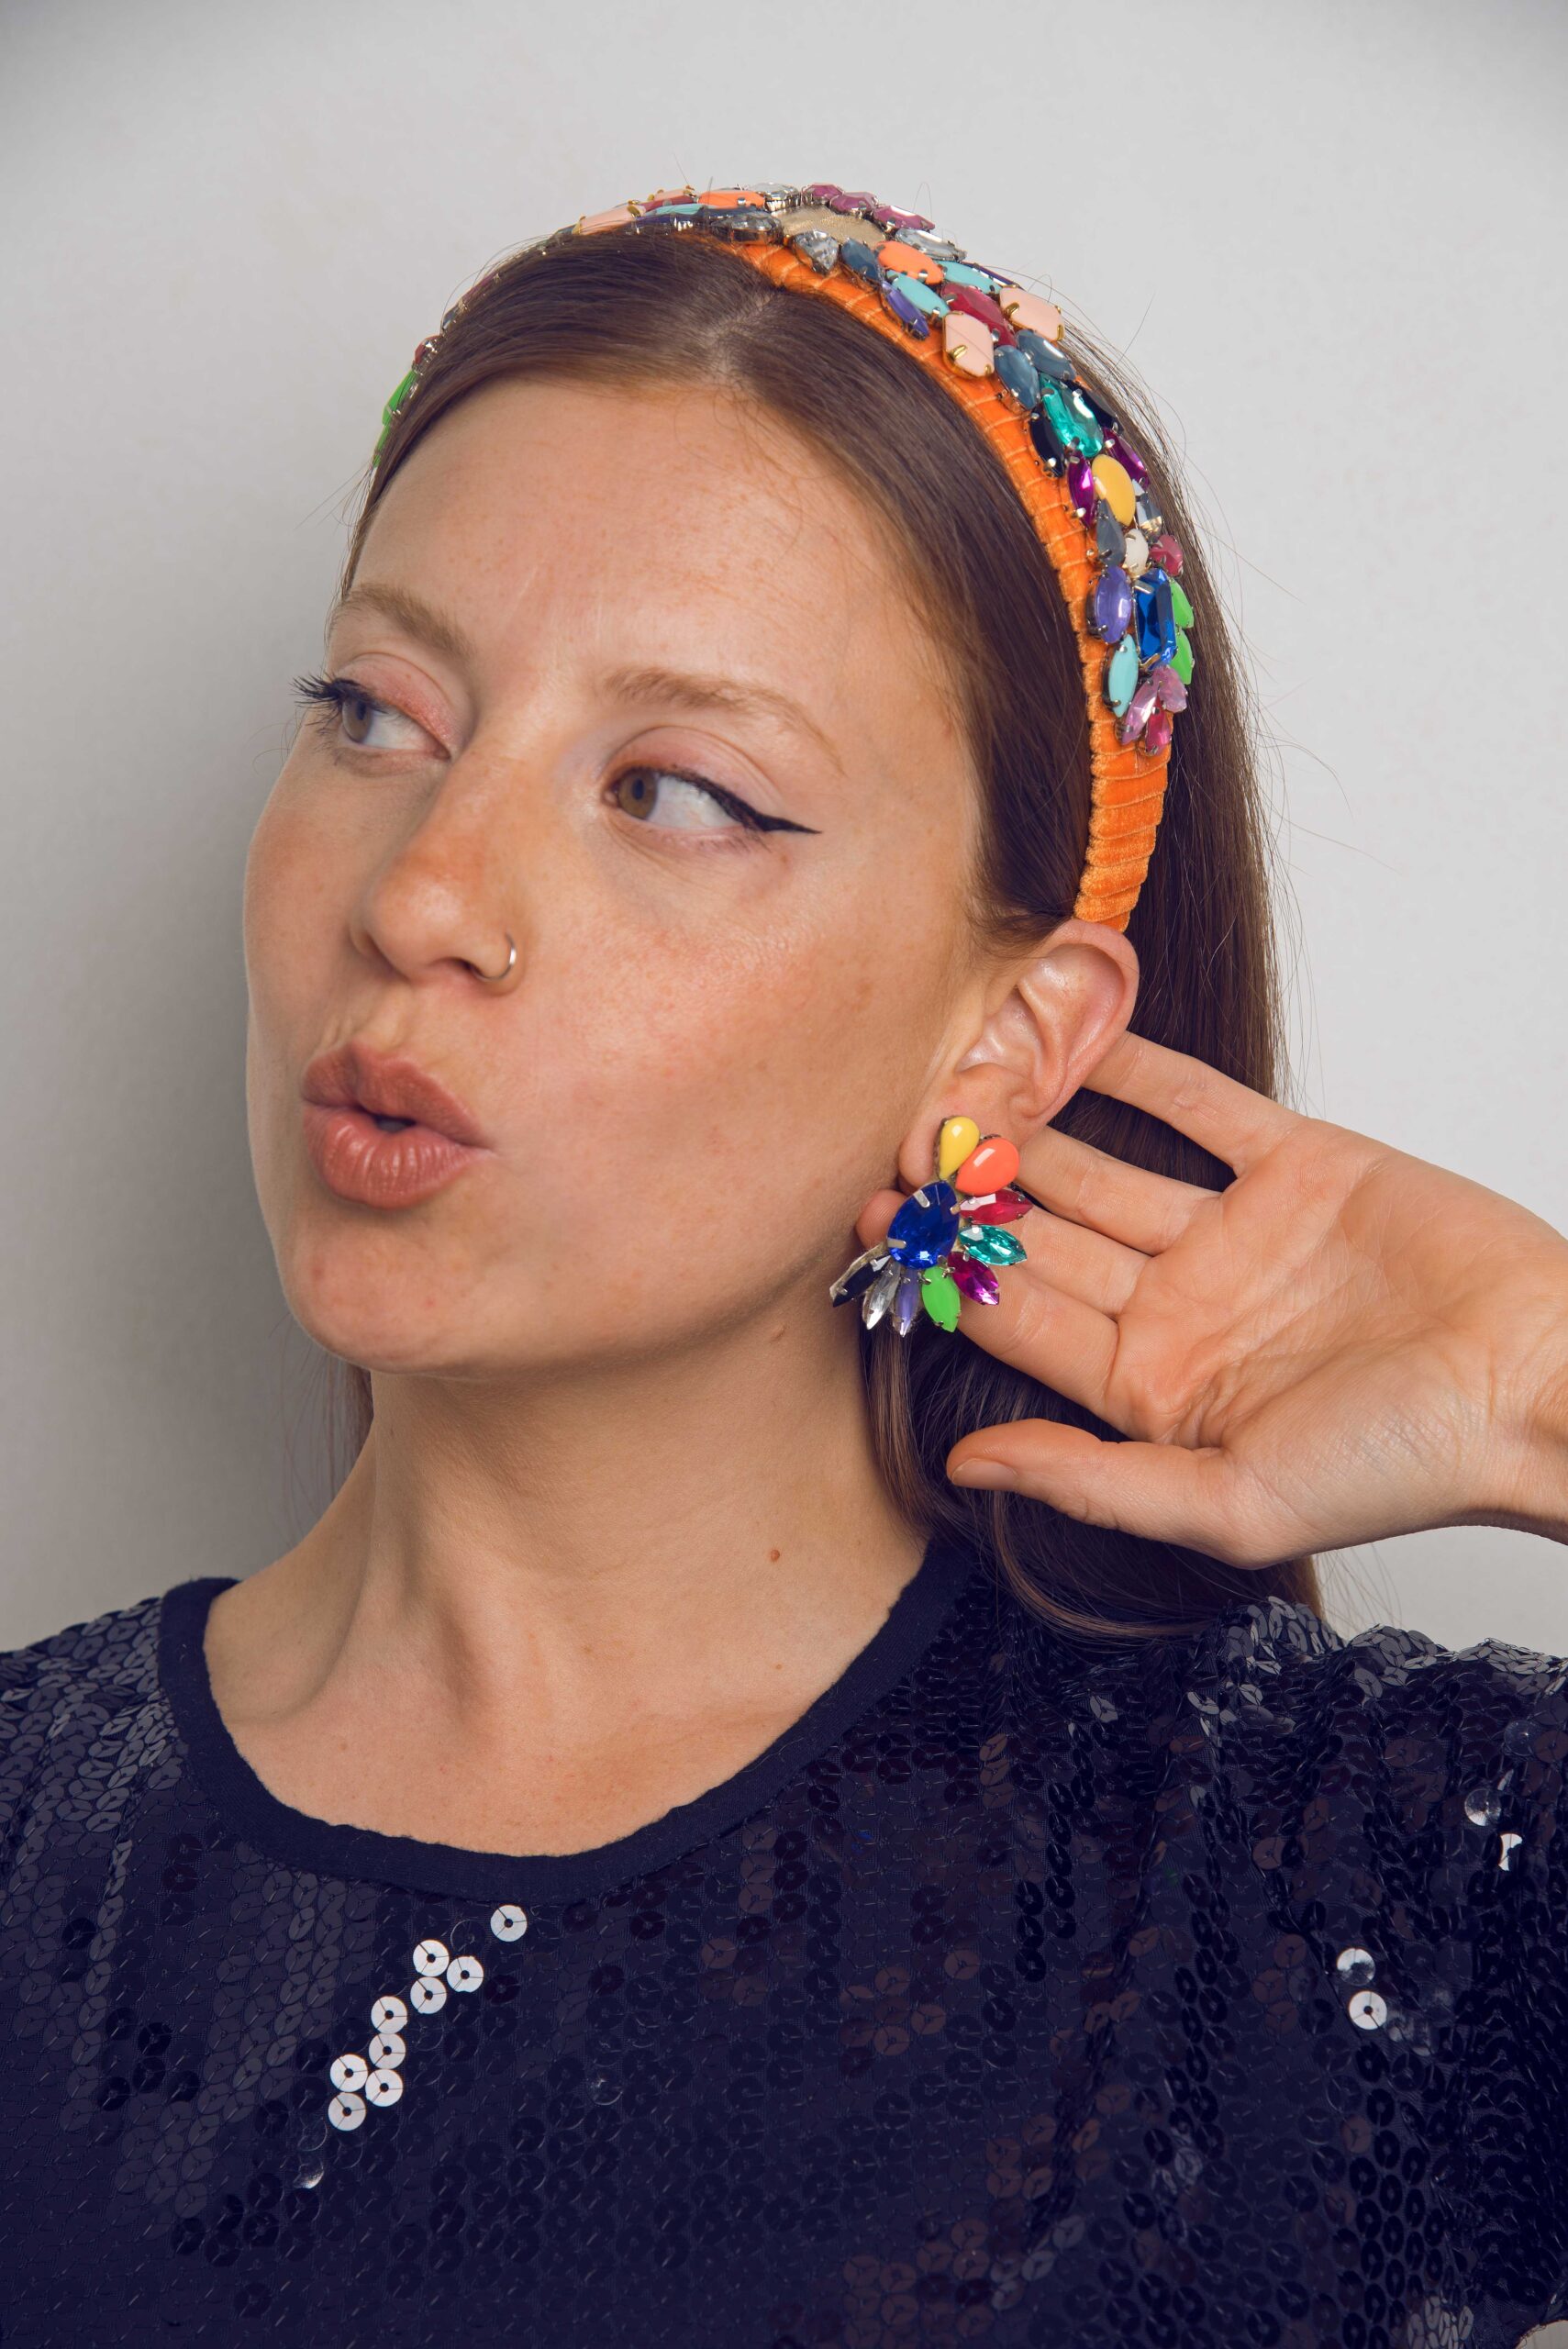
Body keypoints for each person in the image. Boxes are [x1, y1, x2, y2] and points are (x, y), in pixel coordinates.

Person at [1, 178, 1563, 2349]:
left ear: (1005, 1040)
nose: (423, 892)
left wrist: (1541, 1381)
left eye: (678, 790)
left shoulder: (1334, 1878)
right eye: (374, 707)